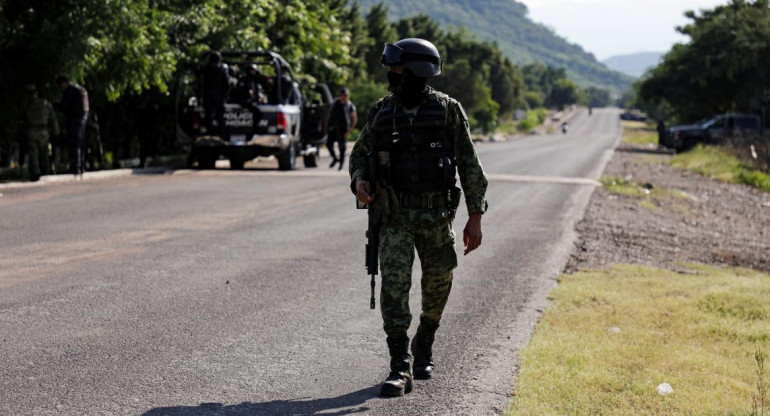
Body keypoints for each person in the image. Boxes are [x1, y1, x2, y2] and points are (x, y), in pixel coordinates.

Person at [349, 38, 488, 397]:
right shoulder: (381, 112)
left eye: (397, 69)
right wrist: (360, 180)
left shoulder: (447, 110)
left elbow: (469, 163)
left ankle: (425, 341)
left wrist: (475, 216)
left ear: (417, 71)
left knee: (438, 281)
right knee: (394, 286)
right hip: (394, 216)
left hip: (435, 214)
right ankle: (400, 365)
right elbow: (359, 154)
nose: (392, 75)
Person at [20, 84, 59, 181]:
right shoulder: (45, 104)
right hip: (43, 131)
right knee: (44, 153)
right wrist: (56, 132)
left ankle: (36, 173)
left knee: (33, 154)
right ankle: (45, 172)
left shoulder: (26, 105)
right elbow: (53, 119)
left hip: (31, 131)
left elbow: (21, 117)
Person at [55, 76, 89, 176]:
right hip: (82, 119)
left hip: (75, 120)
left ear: (64, 83)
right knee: (80, 144)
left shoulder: (71, 91)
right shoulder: (80, 89)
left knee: (74, 144)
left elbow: (64, 105)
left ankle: (76, 167)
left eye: (60, 85)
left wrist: (55, 105)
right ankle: (81, 166)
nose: (61, 88)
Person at [325, 87, 357, 170]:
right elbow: (328, 116)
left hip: (344, 129)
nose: (344, 97)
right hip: (334, 128)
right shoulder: (335, 104)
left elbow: (354, 119)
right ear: (340, 95)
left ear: (348, 96)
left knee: (342, 147)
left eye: (345, 95)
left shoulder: (350, 105)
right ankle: (335, 158)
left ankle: (341, 164)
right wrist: (326, 127)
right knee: (328, 144)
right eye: (343, 95)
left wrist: (349, 131)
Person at [200, 51, 230, 139]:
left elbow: (201, 82)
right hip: (218, 96)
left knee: (208, 116)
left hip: (207, 95)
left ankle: (209, 134)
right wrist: (224, 94)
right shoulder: (221, 69)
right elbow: (227, 84)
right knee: (220, 116)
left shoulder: (206, 69)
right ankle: (222, 135)